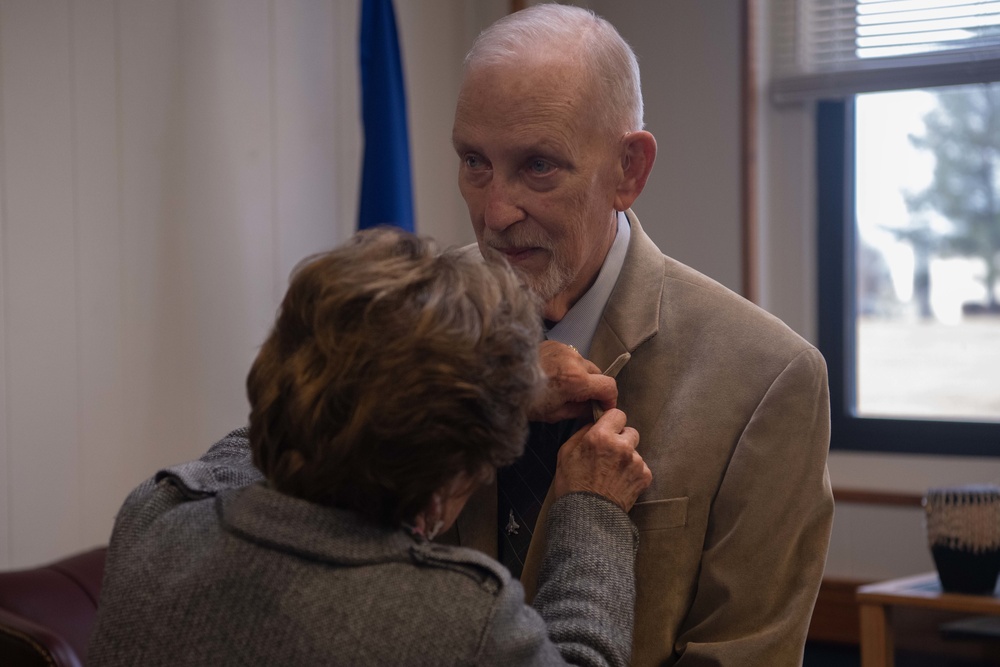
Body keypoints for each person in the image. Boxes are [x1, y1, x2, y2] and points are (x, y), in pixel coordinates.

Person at [448, 4, 835, 666]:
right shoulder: (415, 322)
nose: (495, 211)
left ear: (629, 170)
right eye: (475, 162)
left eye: (538, 165)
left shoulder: (767, 379)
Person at [87, 227, 652, 667]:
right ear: (448, 480)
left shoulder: (152, 516)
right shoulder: (457, 624)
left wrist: (500, 389)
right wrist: (593, 512)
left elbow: (243, 455)